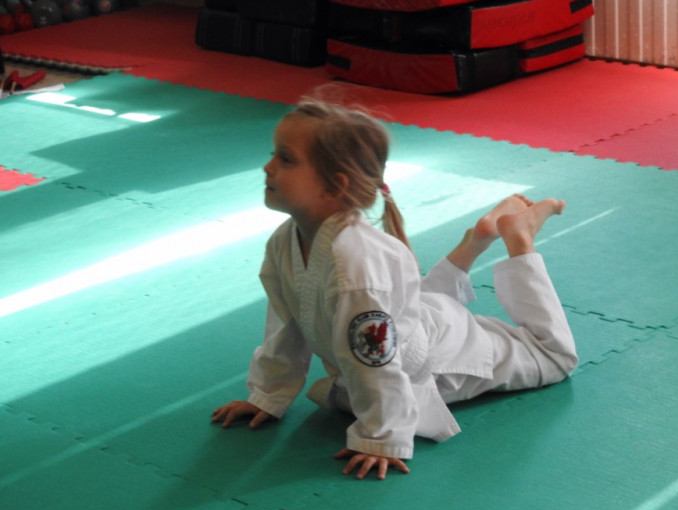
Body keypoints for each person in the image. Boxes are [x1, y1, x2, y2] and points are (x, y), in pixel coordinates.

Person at [212, 99, 578, 480]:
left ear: (334, 185)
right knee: (379, 352)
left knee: (554, 358)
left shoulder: (353, 266)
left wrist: (380, 437)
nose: (268, 167)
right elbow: (286, 327)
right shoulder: (284, 241)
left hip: (444, 357)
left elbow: (376, 361)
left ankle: (519, 237)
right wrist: (267, 395)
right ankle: (476, 240)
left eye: (286, 159)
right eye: (273, 154)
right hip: (418, 319)